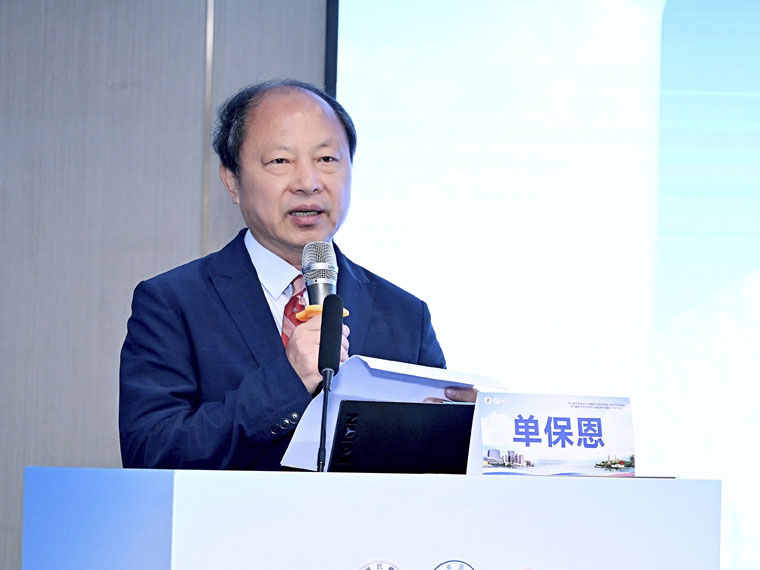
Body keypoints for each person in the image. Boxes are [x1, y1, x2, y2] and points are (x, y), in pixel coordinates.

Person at [119, 79, 468, 471]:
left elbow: (441, 473)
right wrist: (288, 381)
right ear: (232, 181)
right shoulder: (173, 304)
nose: (308, 183)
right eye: (280, 161)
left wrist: (466, 433)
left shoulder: (405, 316)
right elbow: (150, 452)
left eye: (327, 159)